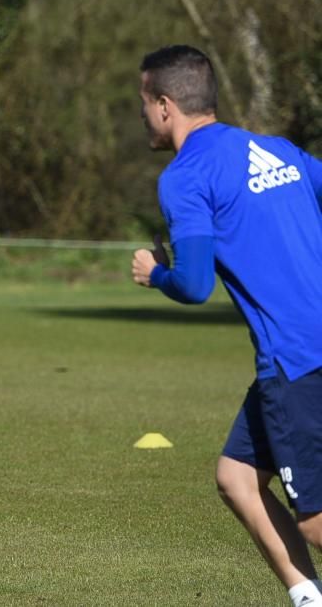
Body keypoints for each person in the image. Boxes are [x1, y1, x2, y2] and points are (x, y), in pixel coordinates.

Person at [131, 45, 322, 607]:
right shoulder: (277, 150)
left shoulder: (185, 175)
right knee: (237, 476)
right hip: (305, 354)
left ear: (166, 105)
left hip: (296, 359)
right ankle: (309, 597)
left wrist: (155, 272)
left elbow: (193, 284)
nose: (142, 114)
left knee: (313, 519)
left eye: (143, 103)